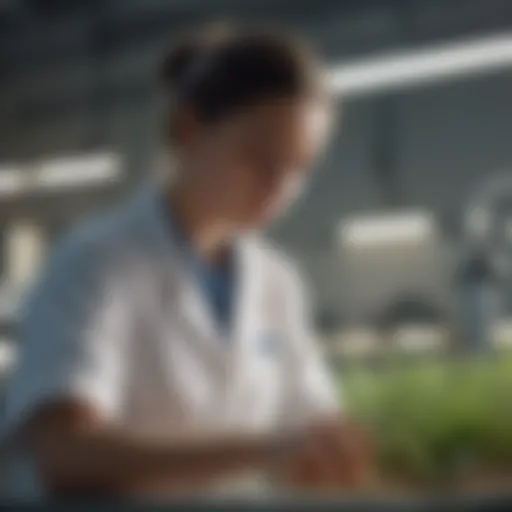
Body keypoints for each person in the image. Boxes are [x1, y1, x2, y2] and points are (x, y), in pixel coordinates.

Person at [3, 23, 368, 500]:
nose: (279, 189)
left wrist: (329, 446)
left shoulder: (278, 280)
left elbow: (310, 419)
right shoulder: (95, 261)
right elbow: (64, 452)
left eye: (299, 169)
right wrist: (263, 451)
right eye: (259, 160)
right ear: (187, 129)